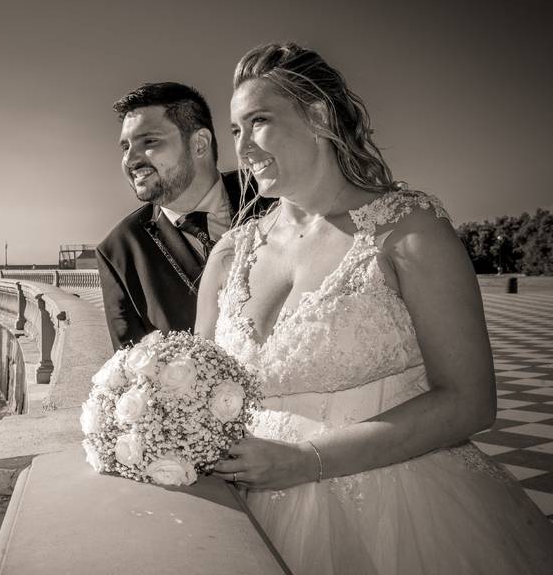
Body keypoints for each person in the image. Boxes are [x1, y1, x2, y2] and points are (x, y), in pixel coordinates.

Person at [195, 42, 553, 574]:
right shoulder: (230, 253)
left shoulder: (410, 231)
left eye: (259, 122)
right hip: (242, 509)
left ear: (317, 114)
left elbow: (470, 402)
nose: (243, 147)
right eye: (235, 130)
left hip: (397, 512)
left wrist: (305, 462)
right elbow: (195, 386)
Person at [97, 82, 267, 350]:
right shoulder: (119, 251)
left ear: (199, 144)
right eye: (125, 147)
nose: (130, 160)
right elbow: (131, 371)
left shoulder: (270, 194)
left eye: (149, 141)